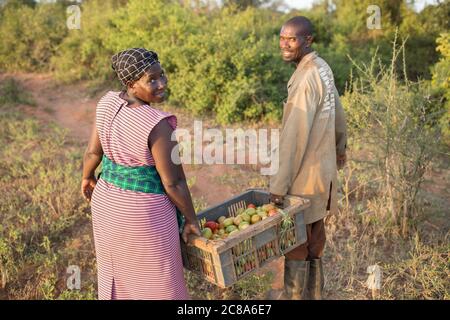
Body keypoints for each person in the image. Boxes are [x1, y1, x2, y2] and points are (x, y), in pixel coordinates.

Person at [81, 48, 201, 300]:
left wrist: (87, 176)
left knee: (121, 276)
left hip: (106, 202)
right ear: (131, 84)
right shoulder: (157, 124)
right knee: (159, 283)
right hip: (143, 215)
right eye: (152, 79)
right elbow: (174, 182)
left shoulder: (107, 102)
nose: (162, 84)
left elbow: (93, 152)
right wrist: (191, 219)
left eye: (162, 75)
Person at [268, 16, 347, 300]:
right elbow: (339, 113)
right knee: (315, 237)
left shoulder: (305, 78)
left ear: (308, 40)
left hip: (305, 174)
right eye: (281, 38)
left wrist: (278, 185)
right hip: (323, 173)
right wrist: (340, 149)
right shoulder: (322, 67)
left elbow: (294, 138)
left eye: (292, 39)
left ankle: (294, 297)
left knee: (295, 241)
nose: (285, 45)